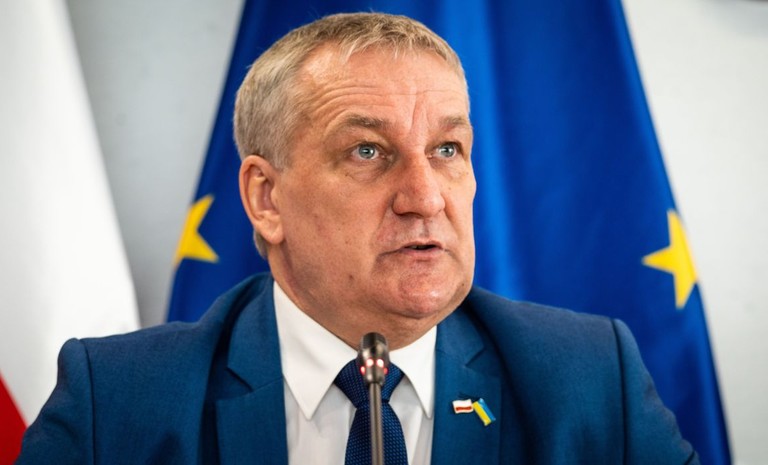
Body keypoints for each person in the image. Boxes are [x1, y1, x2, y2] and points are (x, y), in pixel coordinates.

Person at [17, 12, 698, 465]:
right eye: (368, 152)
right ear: (266, 199)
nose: (425, 197)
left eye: (448, 150)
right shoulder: (121, 403)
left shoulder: (588, 381)